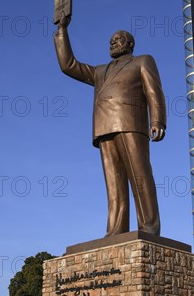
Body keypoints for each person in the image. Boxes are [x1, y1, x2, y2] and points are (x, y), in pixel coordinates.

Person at [54, 15, 166, 236]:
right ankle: (116, 231)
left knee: (140, 177)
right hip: (104, 128)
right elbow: (69, 65)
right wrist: (62, 31)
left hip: (131, 123)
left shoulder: (142, 61)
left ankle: (149, 228)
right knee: (114, 186)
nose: (112, 42)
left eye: (118, 39)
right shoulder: (99, 71)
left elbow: (154, 92)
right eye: (111, 41)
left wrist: (158, 120)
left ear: (130, 44)